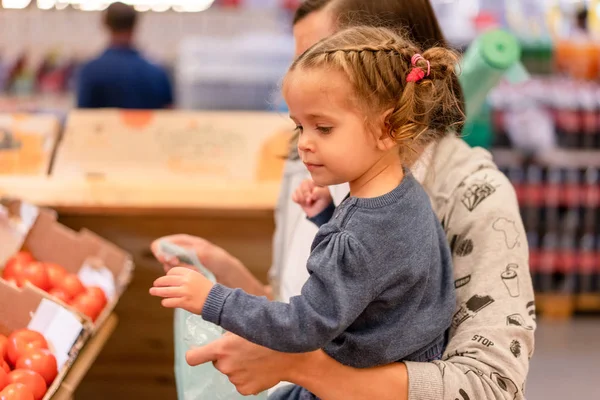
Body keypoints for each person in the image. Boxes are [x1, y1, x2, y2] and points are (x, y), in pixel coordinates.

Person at [151, 1, 536, 399]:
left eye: (323, 58)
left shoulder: (472, 195)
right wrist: (226, 267)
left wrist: (232, 313)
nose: (304, 144)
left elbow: (490, 387)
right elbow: (332, 287)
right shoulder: (366, 181)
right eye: (300, 124)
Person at [76, 2, 173, 109]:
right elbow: (168, 117)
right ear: (135, 24)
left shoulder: (90, 72)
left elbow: (82, 118)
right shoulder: (157, 73)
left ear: (105, 24)